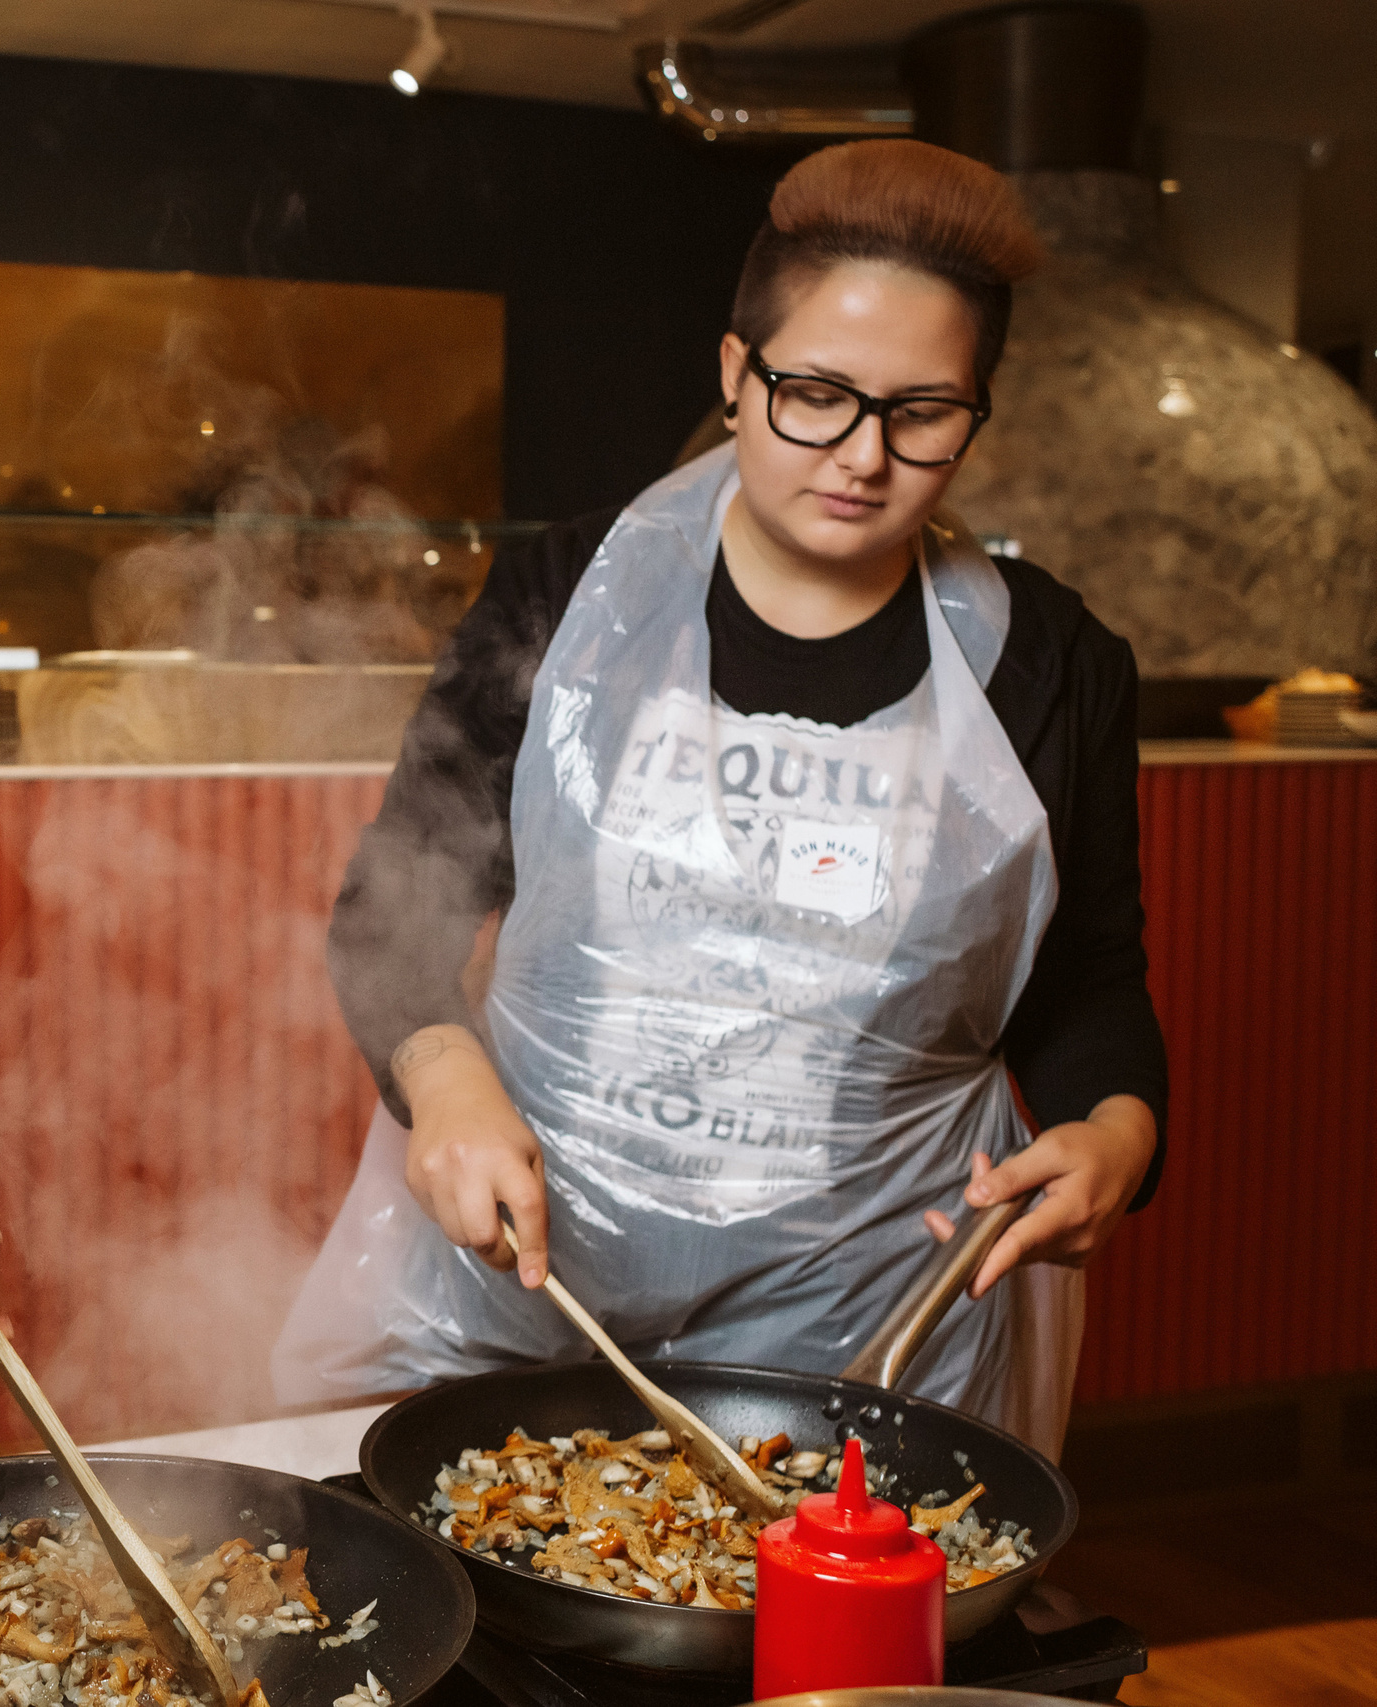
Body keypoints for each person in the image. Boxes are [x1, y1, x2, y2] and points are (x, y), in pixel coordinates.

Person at [275, 141, 1166, 1458]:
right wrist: (447, 1078)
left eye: (923, 412)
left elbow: (1086, 980)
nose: (863, 455)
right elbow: (394, 896)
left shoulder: (1052, 665)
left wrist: (1115, 1137)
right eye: (817, 393)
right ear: (737, 376)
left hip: (864, 1321)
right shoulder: (570, 598)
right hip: (516, 1278)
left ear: (977, 408)